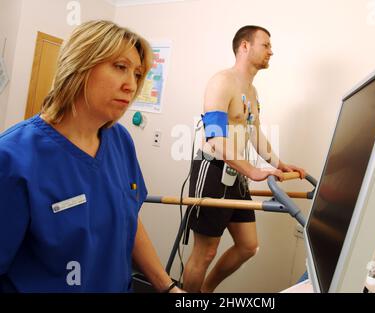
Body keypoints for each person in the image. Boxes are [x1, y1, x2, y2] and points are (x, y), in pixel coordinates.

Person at [0, 20, 183, 293]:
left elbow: (129, 219)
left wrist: (167, 287)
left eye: (137, 74)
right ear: (79, 65)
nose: (131, 85)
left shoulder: (120, 141)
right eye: (120, 67)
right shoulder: (14, 157)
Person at [183, 25, 307, 293]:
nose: (271, 51)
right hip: (212, 171)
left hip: (237, 175)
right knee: (205, 252)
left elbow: (254, 132)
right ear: (244, 46)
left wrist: (278, 163)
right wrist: (252, 170)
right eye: (266, 45)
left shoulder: (252, 91)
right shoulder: (222, 81)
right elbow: (215, 137)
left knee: (248, 246)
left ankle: (205, 291)